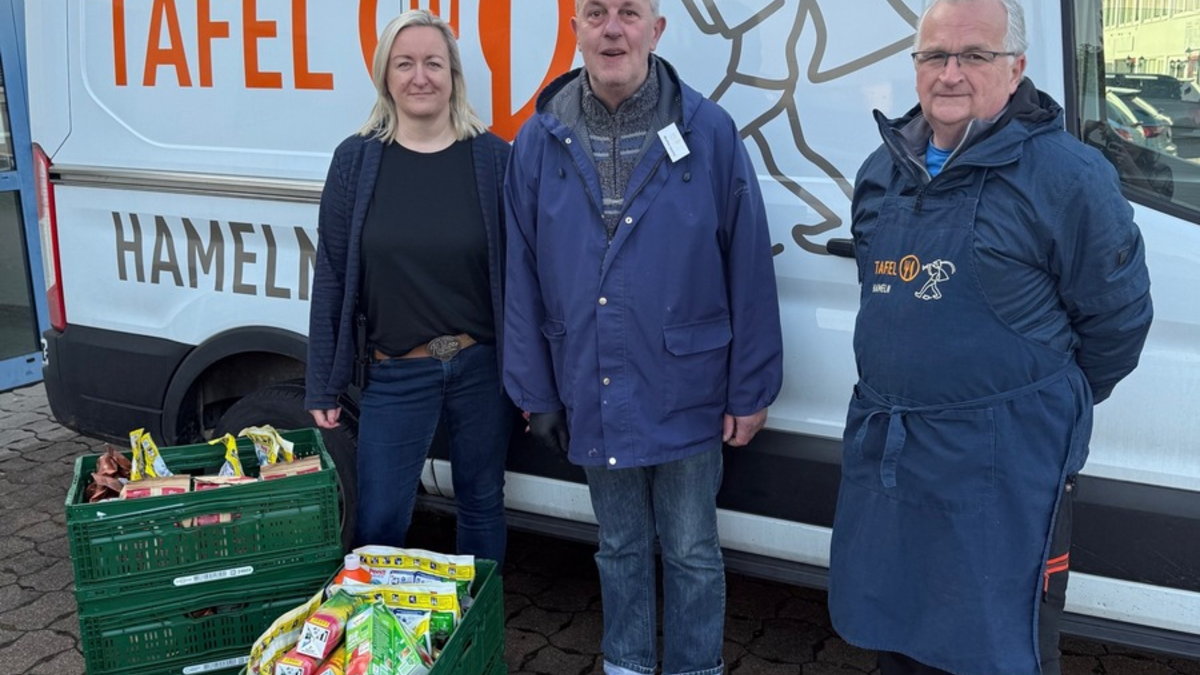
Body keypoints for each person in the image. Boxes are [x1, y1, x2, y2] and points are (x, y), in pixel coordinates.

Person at [827, 2, 1153, 675]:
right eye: (933, 56)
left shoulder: (1069, 177)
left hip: (1001, 478)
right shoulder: (879, 174)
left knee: (997, 652)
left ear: (1015, 69)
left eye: (974, 55)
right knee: (900, 641)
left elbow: (1116, 325)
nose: (950, 73)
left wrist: (1028, 405)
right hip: (895, 468)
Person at [503, 1, 784, 673]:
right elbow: (520, 269)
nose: (612, 28)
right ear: (575, 31)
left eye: (630, 11)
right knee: (619, 544)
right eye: (595, 12)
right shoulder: (540, 139)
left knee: (691, 548)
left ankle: (695, 665)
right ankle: (626, 663)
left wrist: (752, 386)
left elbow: (747, 265)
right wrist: (534, 387)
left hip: (686, 382)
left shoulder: (707, 131)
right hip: (592, 380)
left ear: (657, 30)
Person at [305, 9, 513, 563]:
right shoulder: (356, 161)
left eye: (433, 63)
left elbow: (523, 276)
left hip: (480, 367)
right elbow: (331, 272)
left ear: (454, 75)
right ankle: (377, 641)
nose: (420, 77)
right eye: (405, 64)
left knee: (482, 504)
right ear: (385, 77)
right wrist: (322, 382)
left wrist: (530, 376)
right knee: (379, 517)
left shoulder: (494, 159)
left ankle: (476, 629)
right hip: (396, 370)